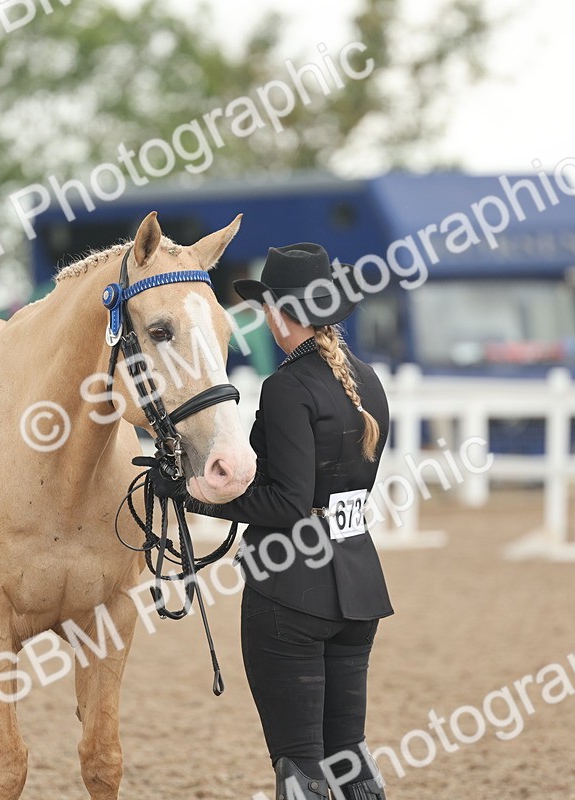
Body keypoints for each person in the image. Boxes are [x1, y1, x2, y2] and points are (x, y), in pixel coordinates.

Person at [160, 242, 395, 800]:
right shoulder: (367, 381)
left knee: (301, 767)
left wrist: (194, 497)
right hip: (359, 588)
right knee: (349, 754)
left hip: (291, 596)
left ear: (279, 313)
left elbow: (286, 503)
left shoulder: (288, 387)